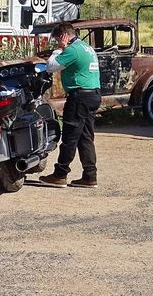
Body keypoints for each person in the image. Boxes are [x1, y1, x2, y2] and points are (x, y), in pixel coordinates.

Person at [39, 22, 101, 188]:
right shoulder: (86, 47)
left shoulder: (72, 50)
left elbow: (51, 66)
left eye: (56, 39)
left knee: (70, 136)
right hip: (93, 94)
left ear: (62, 36)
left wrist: (59, 48)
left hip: (79, 97)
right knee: (85, 137)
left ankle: (60, 174)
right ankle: (90, 176)